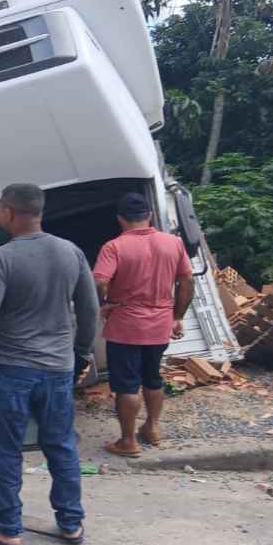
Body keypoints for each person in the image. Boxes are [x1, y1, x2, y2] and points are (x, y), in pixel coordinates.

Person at [0, 184, 99, 545]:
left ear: (8, 212)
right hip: (58, 370)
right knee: (62, 447)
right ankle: (71, 522)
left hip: (12, 370)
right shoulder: (71, 253)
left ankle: (8, 526)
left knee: (6, 450)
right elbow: (90, 310)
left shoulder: (1, 259)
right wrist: (81, 353)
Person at [94, 192, 196, 457]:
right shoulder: (173, 243)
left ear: (120, 219)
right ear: (149, 216)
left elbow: (99, 281)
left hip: (126, 326)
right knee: (152, 378)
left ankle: (128, 441)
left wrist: (104, 303)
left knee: (127, 384)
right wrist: (177, 316)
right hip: (160, 325)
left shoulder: (114, 247)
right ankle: (152, 428)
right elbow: (187, 281)